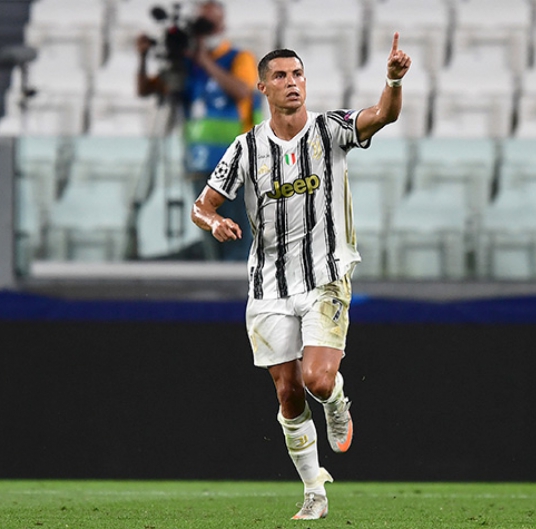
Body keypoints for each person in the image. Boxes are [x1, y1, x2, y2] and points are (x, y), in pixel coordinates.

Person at [190, 33, 412, 520]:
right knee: (288, 392)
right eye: (281, 76)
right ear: (263, 88)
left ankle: (336, 400)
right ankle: (314, 489)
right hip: (269, 286)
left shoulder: (330, 129)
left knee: (316, 379)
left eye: (298, 75)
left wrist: (393, 80)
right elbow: (201, 205)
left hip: (325, 277)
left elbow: (383, 115)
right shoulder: (246, 148)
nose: (292, 83)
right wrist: (215, 221)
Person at [137, 0, 262, 261]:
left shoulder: (238, 58)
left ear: (222, 26)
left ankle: (239, 283)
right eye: (200, 26)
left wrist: (205, 61)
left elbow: (242, 91)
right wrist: (143, 58)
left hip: (236, 166)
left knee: (238, 237)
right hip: (199, 167)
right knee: (213, 240)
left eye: (209, 25)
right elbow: (147, 89)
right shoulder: (188, 66)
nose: (204, 32)